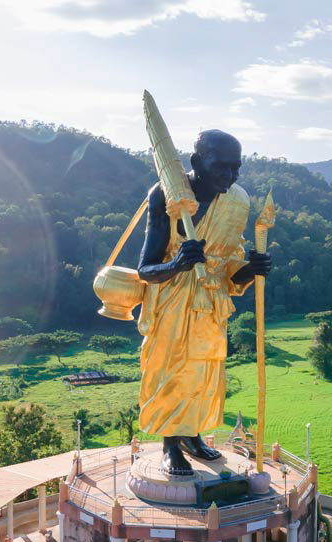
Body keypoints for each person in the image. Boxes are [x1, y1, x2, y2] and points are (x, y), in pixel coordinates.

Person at [137, 130, 272, 475]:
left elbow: (228, 272)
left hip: (211, 304)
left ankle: (192, 434)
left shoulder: (237, 201)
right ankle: (170, 444)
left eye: (236, 167)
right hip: (171, 301)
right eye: (221, 167)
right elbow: (146, 269)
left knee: (203, 372)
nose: (230, 175)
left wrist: (251, 270)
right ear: (197, 162)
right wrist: (177, 264)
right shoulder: (165, 195)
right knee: (172, 372)